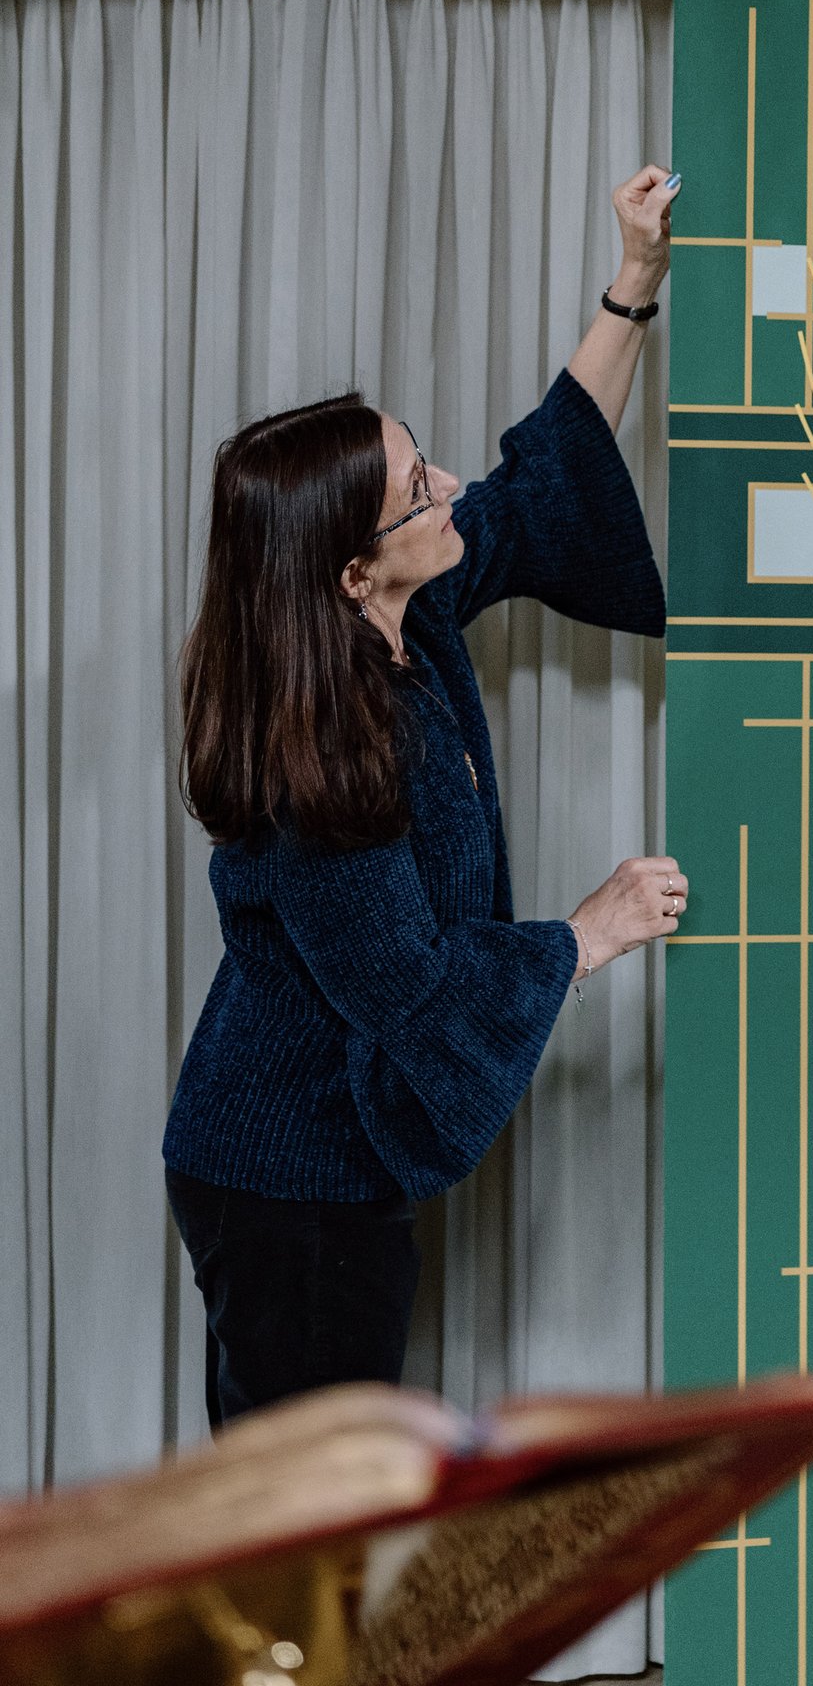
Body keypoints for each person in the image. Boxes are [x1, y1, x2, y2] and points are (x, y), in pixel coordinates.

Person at [163, 166, 687, 1427]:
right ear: (350, 571)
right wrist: (587, 931)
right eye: (417, 488)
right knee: (307, 1499)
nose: (447, 483)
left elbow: (539, 477)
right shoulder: (311, 763)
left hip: (327, 1167)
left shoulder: (413, 608)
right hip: (283, 1182)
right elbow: (411, 984)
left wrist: (633, 282)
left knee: (319, 1491)